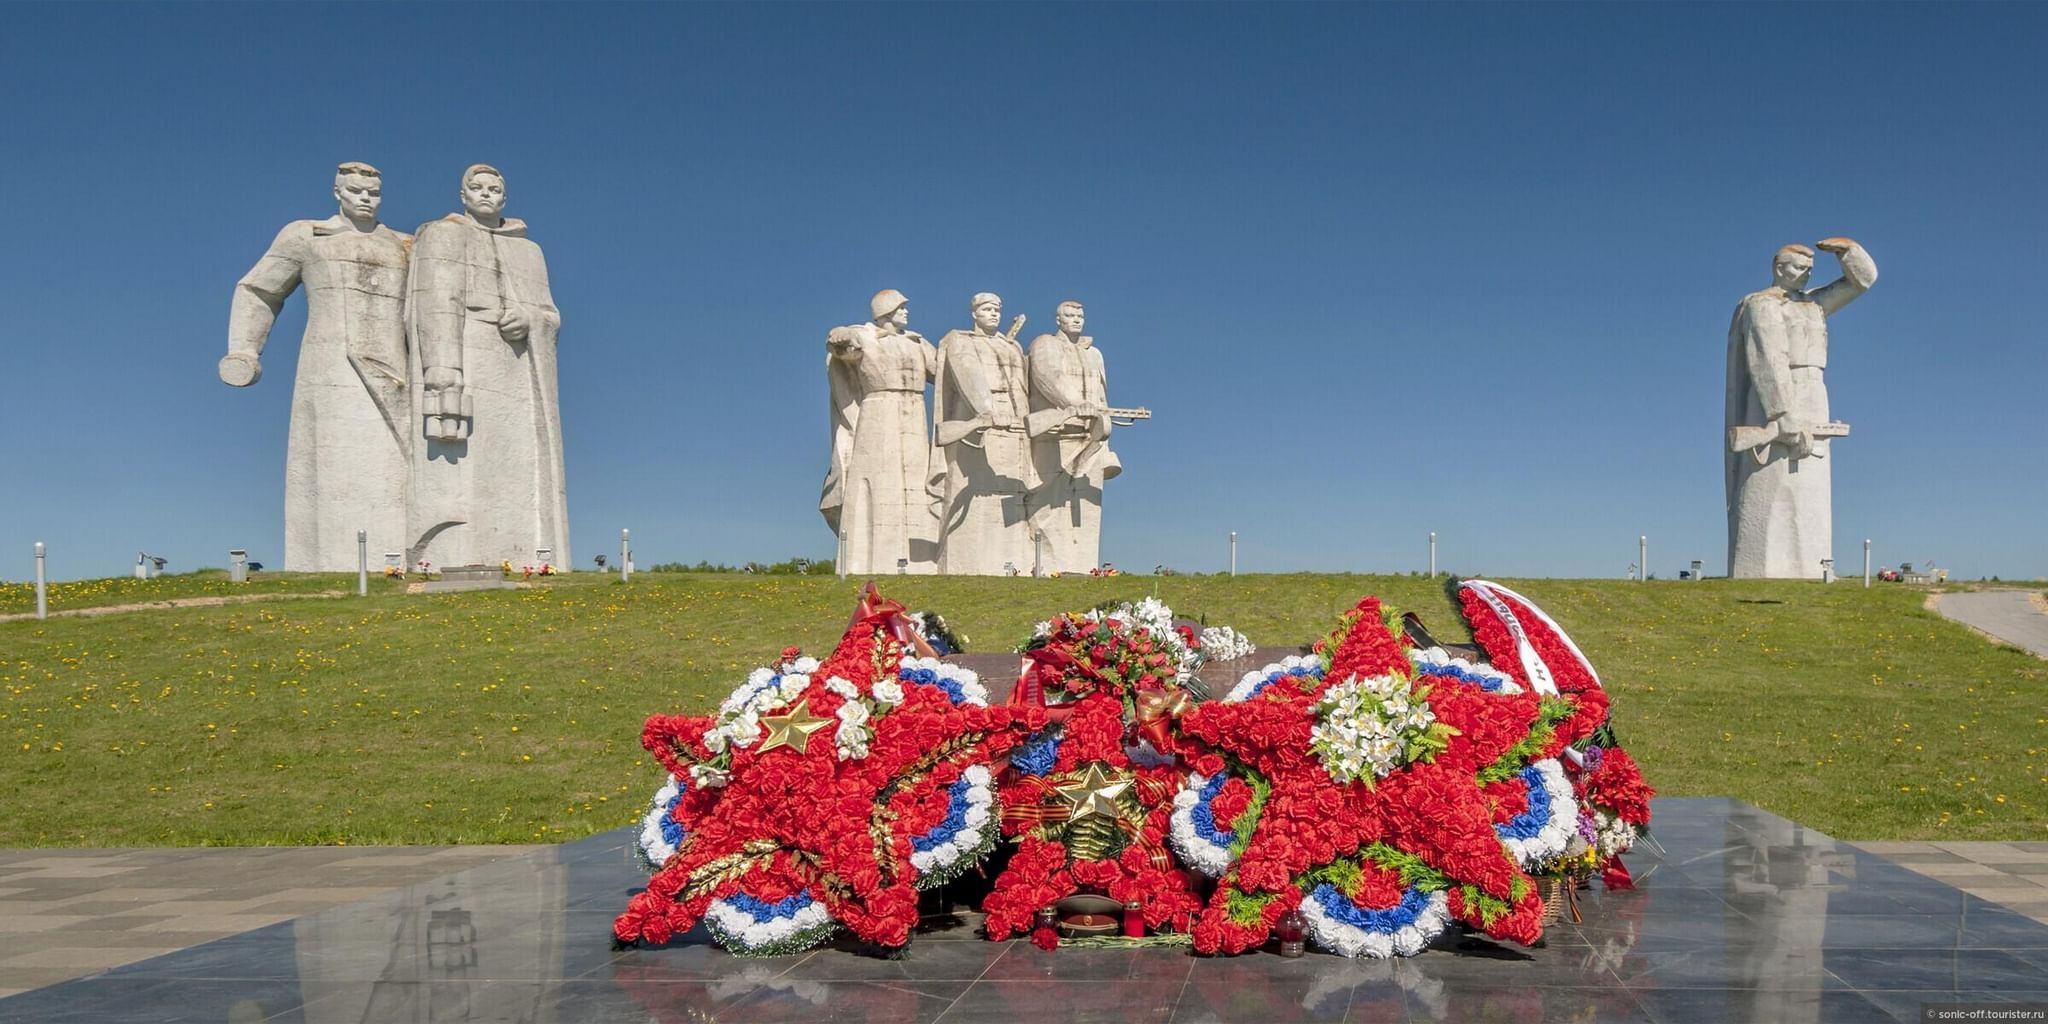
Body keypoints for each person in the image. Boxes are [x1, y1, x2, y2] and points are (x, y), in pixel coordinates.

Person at [222, 162, 412, 571]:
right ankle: (328, 564)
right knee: (330, 468)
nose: (365, 198)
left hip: (398, 372)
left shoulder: (405, 245)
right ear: (338, 192)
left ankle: (401, 560)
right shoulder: (306, 235)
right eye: (356, 190)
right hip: (331, 369)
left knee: (396, 470)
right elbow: (258, 290)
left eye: (373, 193)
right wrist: (243, 350)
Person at [406, 164, 570, 569]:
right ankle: (448, 553)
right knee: (462, 464)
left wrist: (529, 320)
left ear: (504, 197)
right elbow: (432, 303)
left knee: (517, 462)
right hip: (468, 353)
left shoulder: (529, 250)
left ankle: (525, 555)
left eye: (493, 189)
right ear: (462, 196)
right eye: (475, 188)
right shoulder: (443, 234)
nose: (485, 194)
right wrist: (443, 370)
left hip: (517, 364)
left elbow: (550, 314)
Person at [1724, 237, 1876, 578]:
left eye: (1810, 270)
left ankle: (1813, 566)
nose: (1806, 275)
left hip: (1813, 390)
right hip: (1776, 395)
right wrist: (1781, 412)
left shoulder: (1813, 304)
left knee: (1811, 487)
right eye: (1799, 268)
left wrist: (1848, 252)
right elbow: (1767, 357)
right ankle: (1763, 569)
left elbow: (1862, 282)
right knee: (1772, 482)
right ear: (1779, 269)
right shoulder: (1762, 304)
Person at [821, 289, 941, 574]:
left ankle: (921, 562)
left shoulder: (917, 341)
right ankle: (867, 560)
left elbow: (942, 371)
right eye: (901, 307)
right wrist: (839, 335)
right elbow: (842, 347)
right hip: (879, 409)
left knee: (915, 480)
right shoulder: (865, 335)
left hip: (913, 410)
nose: (906, 312)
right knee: (877, 479)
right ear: (885, 311)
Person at [931, 293, 1034, 575]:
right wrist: (986, 410)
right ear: (974, 313)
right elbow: (968, 375)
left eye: (997, 309)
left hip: (1012, 420)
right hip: (975, 417)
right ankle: (965, 564)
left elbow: (1021, 386)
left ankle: (1016, 564)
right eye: (987, 309)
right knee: (972, 489)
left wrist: (1025, 421)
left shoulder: (1011, 347)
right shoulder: (960, 340)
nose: (994, 314)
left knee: (1011, 489)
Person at [1025, 300, 1116, 574]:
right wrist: (1075, 404)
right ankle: (1046, 566)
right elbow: (1047, 378)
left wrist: (1102, 426)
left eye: (1080, 315)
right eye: (1070, 315)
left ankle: (1085, 567)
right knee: (1047, 504)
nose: (1076, 320)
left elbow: (1101, 394)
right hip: (1057, 435)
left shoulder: (1094, 354)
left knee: (1087, 506)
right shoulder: (1045, 344)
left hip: (1091, 436)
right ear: (1058, 320)